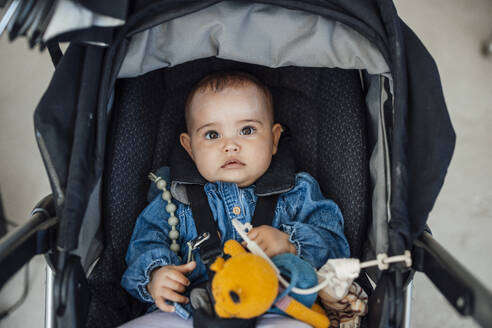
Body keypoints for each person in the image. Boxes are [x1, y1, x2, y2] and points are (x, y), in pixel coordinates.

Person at [120, 71, 350, 327]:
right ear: (189, 147)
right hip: (189, 311)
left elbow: (336, 246)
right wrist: (155, 276)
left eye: (247, 130)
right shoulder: (173, 198)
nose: (230, 145)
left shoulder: (297, 192)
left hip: (273, 309)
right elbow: (143, 243)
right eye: (212, 135)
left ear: (274, 139)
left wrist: (290, 243)